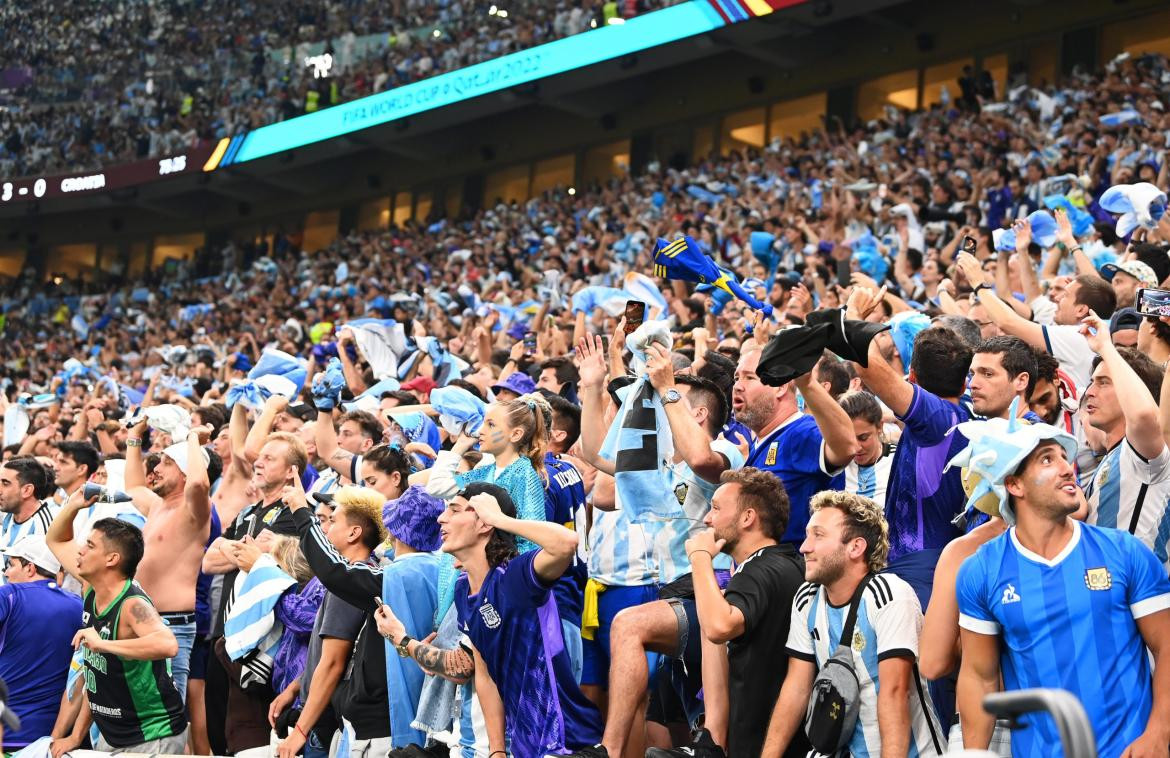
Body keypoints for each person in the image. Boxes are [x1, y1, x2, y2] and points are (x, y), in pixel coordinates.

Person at [955, 414, 1170, 757]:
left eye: (1062, 457)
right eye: (1047, 460)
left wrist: (1159, 732)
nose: (1067, 468)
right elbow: (979, 678)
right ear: (1014, 485)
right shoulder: (981, 571)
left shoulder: (1124, 551)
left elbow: (1166, 645)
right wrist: (974, 753)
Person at [384, 482, 601, 758]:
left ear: (484, 524)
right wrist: (497, 751)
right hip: (525, 748)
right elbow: (484, 676)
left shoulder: (516, 576)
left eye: (454, 510)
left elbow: (566, 543)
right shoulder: (464, 590)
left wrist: (501, 519)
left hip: (568, 741)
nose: (441, 517)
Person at [761, 491, 946, 758]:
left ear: (856, 547)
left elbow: (895, 693)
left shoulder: (890, 594)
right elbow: (796, 689)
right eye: (807, 535)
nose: (804, 547)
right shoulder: (806, 598)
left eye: (818, 535)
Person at [655, 468, 808, 758]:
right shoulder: (781, 564)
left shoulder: (761, 567)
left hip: (764, 745)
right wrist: (713, 737)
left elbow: (719, 627)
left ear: (748, 517)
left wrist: (700, 558)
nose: (707, 519)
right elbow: (715, 632)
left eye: (715, 508)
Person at [843, 288, 973, 608]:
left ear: (911, 377)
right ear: (965, 382)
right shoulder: (965, 412)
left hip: (919, 574)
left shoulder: (936, 416)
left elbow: (865, 365)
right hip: (933, 564)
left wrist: (854, 313)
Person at [269, 485, 389, 758]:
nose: (326, 529)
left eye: (332, 521)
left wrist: (299, 732)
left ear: (354, 532)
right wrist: (296, 686)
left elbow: (334, 663)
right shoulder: (362, 576)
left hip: (322, 725)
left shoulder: (349, 586)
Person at [51, 518, 188, 755]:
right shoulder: (91, 591)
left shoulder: (132, 604)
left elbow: (168, 644)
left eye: (91, 546)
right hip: (114, 734)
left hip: (152, 734)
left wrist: (104, 644)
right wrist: (75, 736)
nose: (81, 550)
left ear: (112, 559)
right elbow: (55, 540)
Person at [119, 420, 214, 701]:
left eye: (168, 463)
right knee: (132, 707)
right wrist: (135, 437)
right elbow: (134, 485)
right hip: (139, 620)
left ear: (184, 471)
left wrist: (193, 439)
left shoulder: (194, 512)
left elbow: (199, 482)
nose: (156, 469)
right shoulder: (158, 505)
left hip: (170, 624)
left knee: (164, 715)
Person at [731, 340, 858, 544]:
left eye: (749, 377)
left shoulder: (802, 432)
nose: (737, 386)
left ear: (780, 387)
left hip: (797, 570)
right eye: (736, 377)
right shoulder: (762, 439)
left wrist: (807, 384)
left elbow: (847, 448)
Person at [1078, 312, 1170, 565]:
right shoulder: (1113, 456)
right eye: (1092, 382)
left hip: (1137, 598)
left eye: (1103, 383)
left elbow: (1142, 414)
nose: (1090, 392)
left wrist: (1106, 347)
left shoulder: (1146, 457)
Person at [0, 536, 82, 752]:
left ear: (30, 568)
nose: (6, 572)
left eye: (11, 564)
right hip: (53, 738)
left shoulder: (9, 596)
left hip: (8, 736)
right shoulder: (79, 606)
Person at [830, 391, 894, 510]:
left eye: (863, 438)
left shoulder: (897, 461)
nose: (856, 448)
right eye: (848, 439)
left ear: (879, 427)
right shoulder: (836, 465)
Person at [0, 458, 59, 583]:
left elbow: (42, 584)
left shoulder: (44, 527)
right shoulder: (8, 513)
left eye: (5, 483)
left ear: (27, 490)